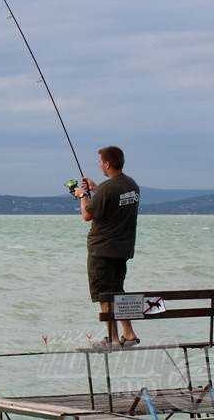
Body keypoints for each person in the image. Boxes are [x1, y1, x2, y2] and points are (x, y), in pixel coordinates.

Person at [74, 145, 140, 348]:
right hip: (122, 250)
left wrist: (82, 195)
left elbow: (87, 215)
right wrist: (95, 188)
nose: (100, 166)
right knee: (118, 292)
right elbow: (113, 198)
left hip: (101, 250)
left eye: (100, 162)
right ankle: (129, 334)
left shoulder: (108, 188)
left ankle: (111, 339)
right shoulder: (131, 185)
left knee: (105, 295)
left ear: (107, 163)